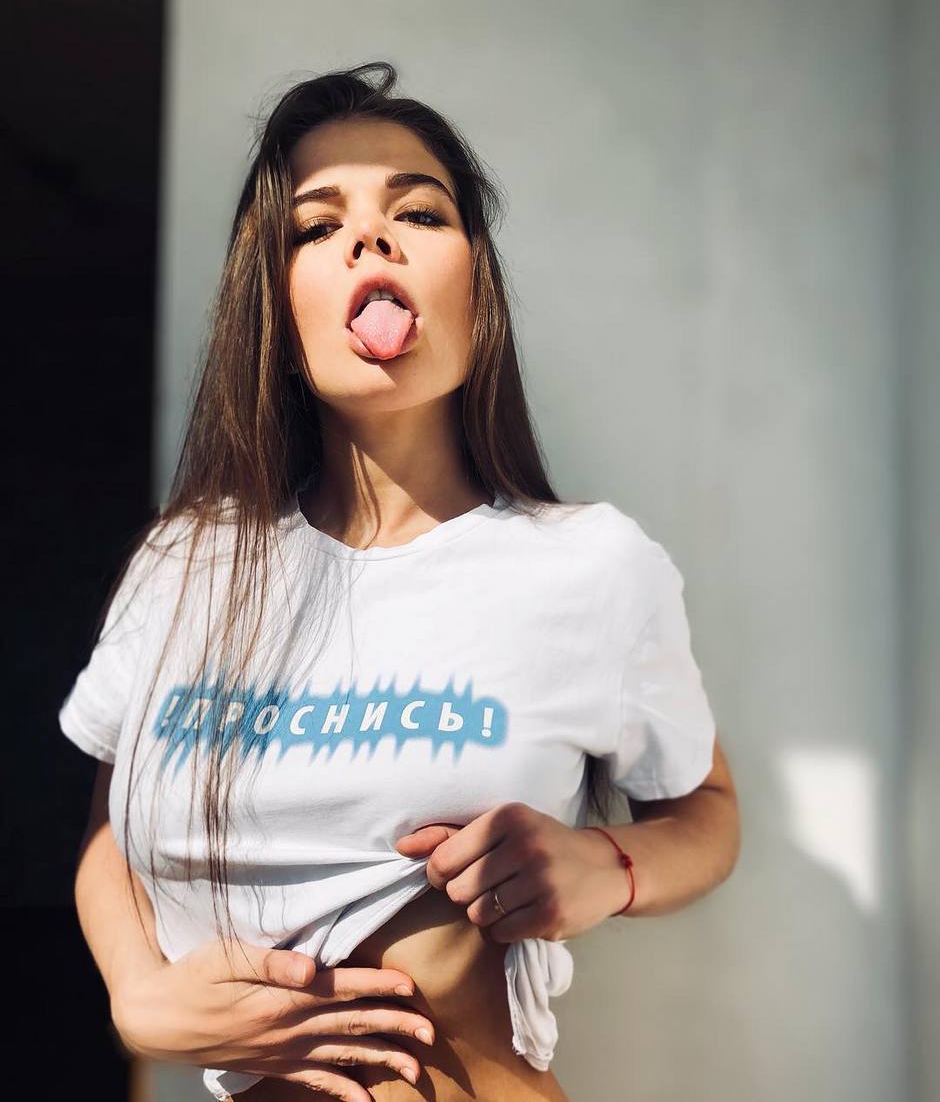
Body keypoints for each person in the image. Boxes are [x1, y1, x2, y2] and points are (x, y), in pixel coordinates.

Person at [60, 61, 741, 1101]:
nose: (370, 240)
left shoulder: (590, 562)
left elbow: (706, 811)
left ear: (475, 285)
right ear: (275, 304)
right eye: (317, 225)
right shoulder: (186, 564)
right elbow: (111, 829)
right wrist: (133, 993)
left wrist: (606, 866)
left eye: (417, 213)